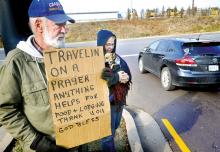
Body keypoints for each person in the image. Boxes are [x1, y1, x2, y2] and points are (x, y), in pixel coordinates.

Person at [0, 0, 75, 151]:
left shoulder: (68, 57)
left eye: (65, 24)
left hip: (74, 143)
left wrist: (102, 78)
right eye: (58, 24)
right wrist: (36, 142)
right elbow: (5, 109)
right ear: (39, 26)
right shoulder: (16, 62)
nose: (64, 30)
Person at [97, 29, 132, 152]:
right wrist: (117, 77)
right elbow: (98, 81)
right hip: (104, 103)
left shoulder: (116, 58)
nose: (110, 47)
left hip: (118, 100)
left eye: (113, 44)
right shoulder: (94, 61)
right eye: (107, 44)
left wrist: (126, 77)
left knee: (116, 125)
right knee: (107, 135)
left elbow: (126, 71)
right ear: (101, 43)